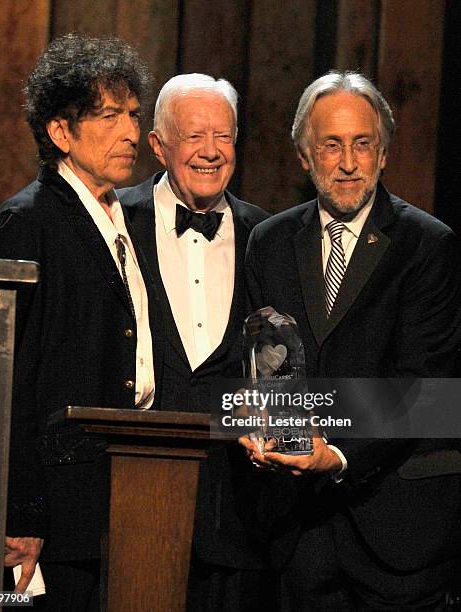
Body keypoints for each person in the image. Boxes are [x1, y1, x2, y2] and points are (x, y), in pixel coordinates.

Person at [242, 71, 461, 610]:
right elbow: (267, 365)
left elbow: (425, 389)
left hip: (400, 526)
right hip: (298, 530)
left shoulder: (428, 246)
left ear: (383, 153)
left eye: (363, 145)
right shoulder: (269, 243)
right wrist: (260, 428)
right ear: (303, 155)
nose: (348, 163)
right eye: (331, 145)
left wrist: (336, 453)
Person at [0, 34, 160, 610]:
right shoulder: (28, 221)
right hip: (46, 512)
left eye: (134, 114)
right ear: (61, 132)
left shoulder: (117, 213)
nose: (131, 132)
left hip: (109, 495)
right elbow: (3, 381)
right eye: (109, 117)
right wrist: (20, 511)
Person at [118, 74, 270, 611]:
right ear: (159, 146)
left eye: (223, 136)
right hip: (134, 504)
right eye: (193, 137)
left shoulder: (268, 237)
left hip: (240, 519)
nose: (211, 152)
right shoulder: (113, 223)